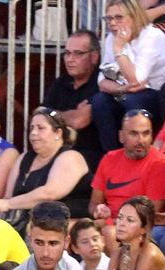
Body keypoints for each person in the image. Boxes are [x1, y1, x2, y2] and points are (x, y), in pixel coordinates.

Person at [92, 0, 165, 155]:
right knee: (100, 101)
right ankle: (113, 156)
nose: (113, 23)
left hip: (161, 92)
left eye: (119, 17)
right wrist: (121, 88)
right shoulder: (112, 38)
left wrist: (118, 49)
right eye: (109, 18)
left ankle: (139, 155)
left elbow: (136, 79)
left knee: (133, 100)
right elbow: (101, 81)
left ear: (134, 16)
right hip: (130, 90)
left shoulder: (151, 36)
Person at [0, 108, 92, 227]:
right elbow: (8, 196)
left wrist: (8, 204)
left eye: (40, 128)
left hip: (63, 224)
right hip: (25, 221)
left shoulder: (70, 157)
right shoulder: (24, 158)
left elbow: (49, 194)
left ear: (58, 133)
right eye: (32, 128)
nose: (33, 133)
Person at [89, 108, 165, 233]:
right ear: (121, 136)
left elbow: (149, 215)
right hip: (108, 224)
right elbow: (94, 203)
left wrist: (108, 223)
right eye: (134, 134)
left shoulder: (159, 164)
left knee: (107, 233)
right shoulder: (109, 159)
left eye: (146, 134)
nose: (141, 140)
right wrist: (99, 210)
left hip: (139, 229)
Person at [41, 28, 103, 170]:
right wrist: (70, 115)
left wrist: (52, 115)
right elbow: (39, 115)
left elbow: (79, 120)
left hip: (88, 158)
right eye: (67, 53)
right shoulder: (61, 83)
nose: (70, 59)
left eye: (78, 54)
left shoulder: (101, 83)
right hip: (54, 153)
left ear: (94, 56)